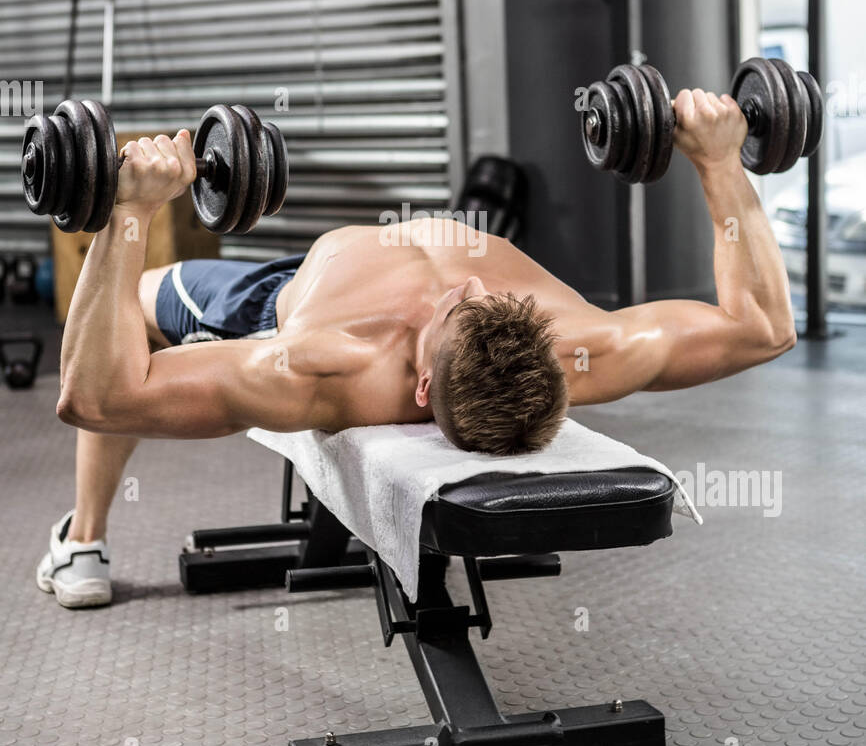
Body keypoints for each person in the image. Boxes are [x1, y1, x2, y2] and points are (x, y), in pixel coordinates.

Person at [37, 87, 796, 606]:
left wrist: (128, 214)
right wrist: (719, 159)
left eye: (455, 313)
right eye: (489, 301)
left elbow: (98, 394)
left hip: (278, 298)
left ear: (421, 393)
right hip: (336, 274)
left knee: (130, 305)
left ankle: (84, 539)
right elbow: (762, 326)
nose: (465, 287)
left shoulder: (322, 366)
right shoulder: (583, 345)